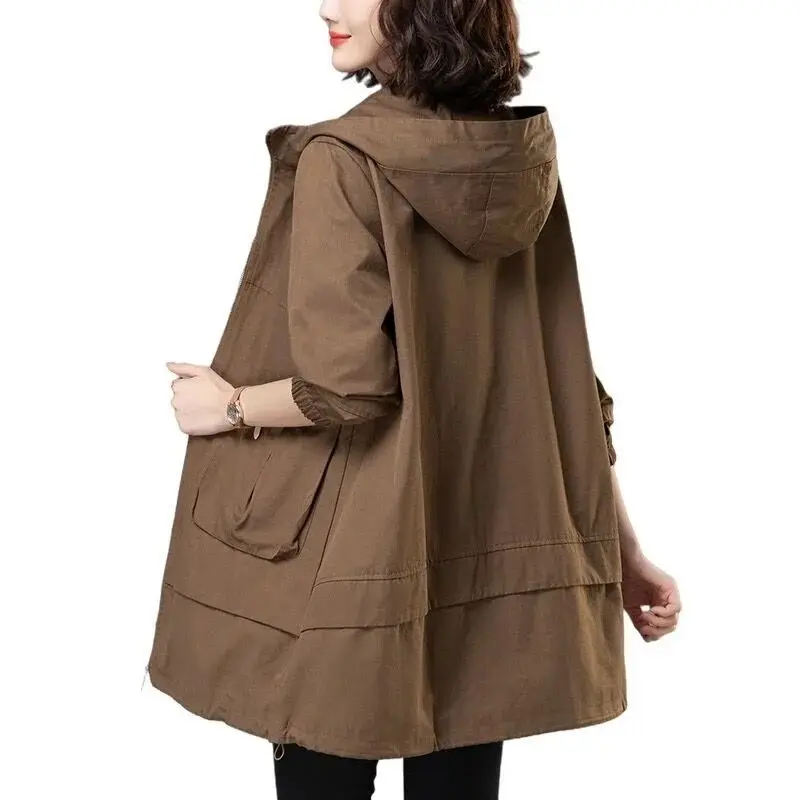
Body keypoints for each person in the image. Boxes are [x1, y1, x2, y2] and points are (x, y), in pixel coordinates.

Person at [148, 1, 682, 798]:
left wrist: (226, 407)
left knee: (323, 769)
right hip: (483, 553)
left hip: (353, 562)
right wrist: (626, 553)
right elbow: (562, 384)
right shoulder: (518, 159)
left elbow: (347, 387)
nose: (328, 7)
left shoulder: (343, 159)